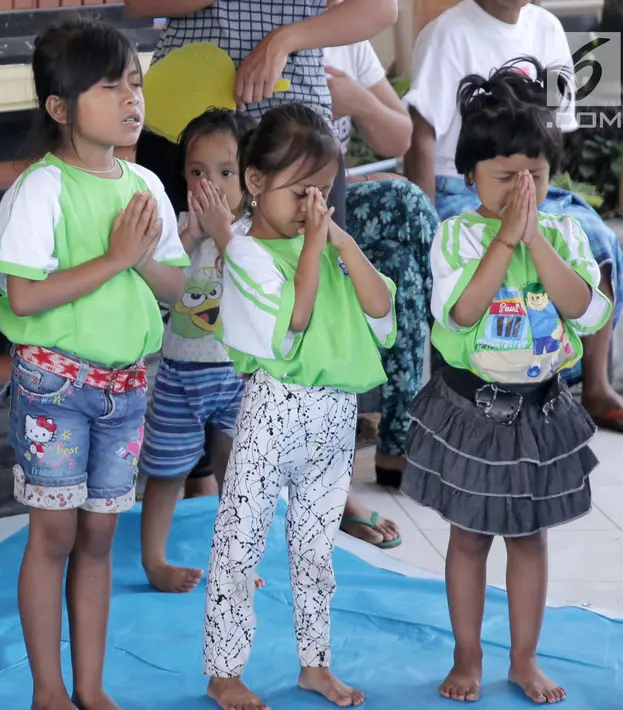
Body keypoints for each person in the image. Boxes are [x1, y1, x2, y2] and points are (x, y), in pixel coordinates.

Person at [0, 19, 188, 709]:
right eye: (109, 86)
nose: (131, 98)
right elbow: (23, 294)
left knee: (101, 535)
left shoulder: (143, 185)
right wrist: (114, 260)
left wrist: (153, 259)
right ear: (58, 107)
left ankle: (91, 687)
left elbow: (176, 287)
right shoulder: (42, 189)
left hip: (127, 386)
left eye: (134, 83)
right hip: (55, 383)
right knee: (55, 533)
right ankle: (48, 688)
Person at [402, 59, 605, 705]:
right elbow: (458, 314)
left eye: (536, 176)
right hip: (472, 411)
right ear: (469, 177)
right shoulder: (455, 236)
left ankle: (522, 659)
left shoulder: (566, 231)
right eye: (504, 177)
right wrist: (504, 241)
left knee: (527, 538)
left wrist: (535, 242)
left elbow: (590, 311)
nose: (522, 188)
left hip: (541, 412)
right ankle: (466, 657)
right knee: (468, 536)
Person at [206, 103, 395, 710]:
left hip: (335, 416)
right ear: (255, 183)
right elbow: (293, 323)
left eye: (323, 190)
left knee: (317, 551)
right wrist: (316, 246)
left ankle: (316, 663)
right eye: (299, 189)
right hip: (273, 410)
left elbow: (381, 312)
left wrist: (336, 239)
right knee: (240, 544)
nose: (313, 203)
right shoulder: (244, 253)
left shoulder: (324, 242)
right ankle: (224, 671)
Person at [403, 0, 623, 434]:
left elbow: (559, 130)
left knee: (599, 240)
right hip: (461, 187)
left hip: (536, 182)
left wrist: (543, 195)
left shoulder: (549, 27)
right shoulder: (448, 32)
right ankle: (487, 378)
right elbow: (421, 134)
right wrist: (425, 220)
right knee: (488, 260)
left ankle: (593, 385)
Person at [125, 0, 399, 226]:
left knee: (309, 266)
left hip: (296, 130)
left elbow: (380, 9)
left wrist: (283, 40)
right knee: (177, 268)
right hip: (182, 120)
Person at [322, 4, 441, 518]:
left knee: (404, 267)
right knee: (408, 204)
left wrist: (357, 103)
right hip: (279, 208)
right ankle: (458, 362)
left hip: (336, 205)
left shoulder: (349, 35)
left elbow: (399, 136)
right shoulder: (269, 22)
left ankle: (396, 447)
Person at [137, 109, 251, 594]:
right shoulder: (180, 227)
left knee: (239, 470)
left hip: (237, 374)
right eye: (198, 171)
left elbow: (257, 284)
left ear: (253, 176)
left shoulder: (254, 232)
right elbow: (164, 283)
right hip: (180, 373)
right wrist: (193, 234)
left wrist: (223, 233)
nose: (211, 184)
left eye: (226, 172)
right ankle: (154, 561)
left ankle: (238, 562)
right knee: (166, 471)